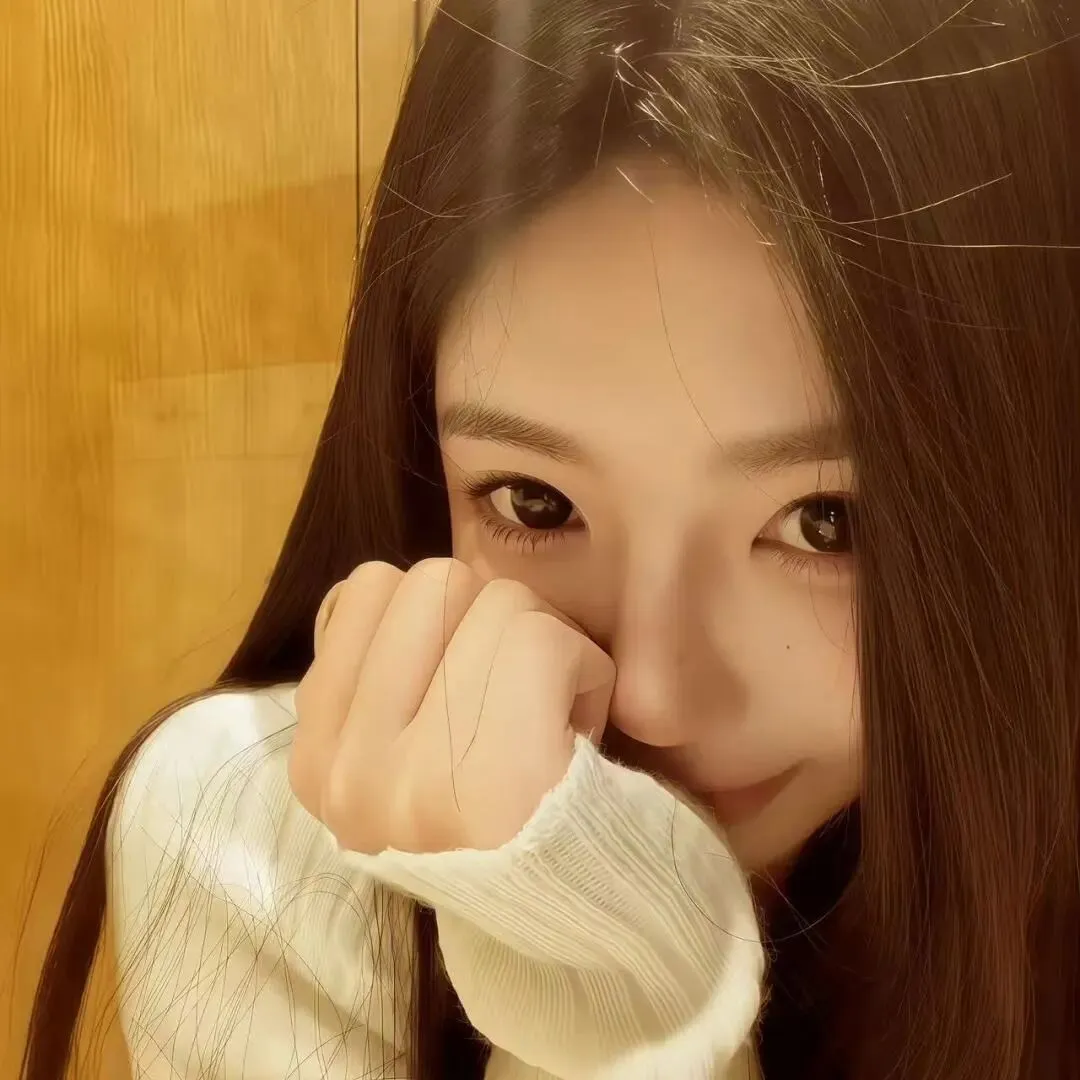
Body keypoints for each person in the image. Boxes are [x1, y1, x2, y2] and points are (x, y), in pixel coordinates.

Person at [21, 0, 1080, 1077]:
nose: (653, 697)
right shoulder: (263, 827)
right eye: (534, 504)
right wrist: (598, 973)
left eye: (826, 522)